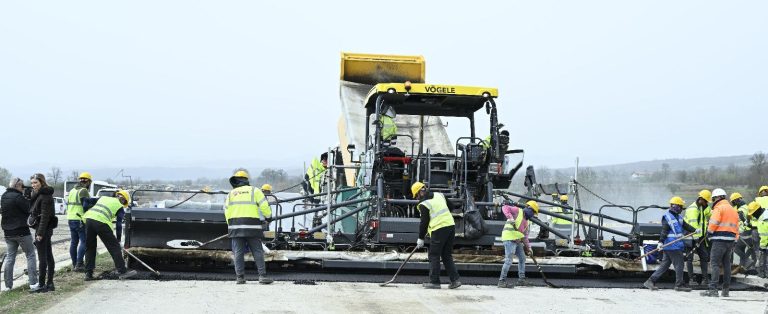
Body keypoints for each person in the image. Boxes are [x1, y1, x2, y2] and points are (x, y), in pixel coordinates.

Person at [225, 170, 273, 285]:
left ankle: (240, 278)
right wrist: (269, 217)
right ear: (246, 180)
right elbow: (264, 206)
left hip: (235, 227)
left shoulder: (231, 194)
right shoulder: (254, 191)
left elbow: (226, 211)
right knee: (257, 251)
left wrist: (230, 225)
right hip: (252, 227)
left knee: (238, 252)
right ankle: (262, 276)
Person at [411, 181, 461, 289]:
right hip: (450, 226)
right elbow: (452, 206)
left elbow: (424, 222)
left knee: (434, 255)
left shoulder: (423, 204)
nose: (416, 198)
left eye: (416, 195)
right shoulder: (439, 195)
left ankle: (434, 282)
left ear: (420, 192)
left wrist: (420, 238)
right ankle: (455, 280)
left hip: (438, 229)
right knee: (446, 255)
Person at [644, 196, 696, 292]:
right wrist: (660, 242)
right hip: (672, 246)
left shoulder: (678, 217)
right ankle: (679, 284)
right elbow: (664, 231)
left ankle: (650, 281)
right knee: (679, 264)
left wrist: (695, 230)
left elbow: (686, 226)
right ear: (676, 207)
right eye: (680, 206)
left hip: (672, 246)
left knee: (664, 265)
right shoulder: (667, 217)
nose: (681, 209)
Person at [82, 190, 136, 280]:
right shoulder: (119, 206)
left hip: (89, 220)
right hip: (101, 223)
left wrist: (85, 210)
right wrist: (118, 240)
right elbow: (119, 225)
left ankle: (88, 274)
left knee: (90, 247)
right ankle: (122, 271)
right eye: (124, 202)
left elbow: (86, 201)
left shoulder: (103, 198)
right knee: (114, 247)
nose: (123, 204)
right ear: (122, 199)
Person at [1, 178, 39, 292]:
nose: (23, 189)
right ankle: (33, 283)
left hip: (8, 232)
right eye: (22, 187)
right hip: (21, 231)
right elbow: (29, 210)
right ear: (18, 186)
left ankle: (8, 286)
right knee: (30, 255)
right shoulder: (18, 197)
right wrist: (28, 198)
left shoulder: (4, 196)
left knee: (10, 258)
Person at [700, 188, 739, 297]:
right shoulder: (733, 209)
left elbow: (713, 223)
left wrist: (709, 232)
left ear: (717, 197)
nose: (712, 201)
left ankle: (713, 290)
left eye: (713, 199)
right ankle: (725, 290)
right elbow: (737, 227)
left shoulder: (718, 208)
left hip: (719, 241)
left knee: (715, 264)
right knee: (727, 265)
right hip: (730, 241)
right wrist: (735, 239)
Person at [28, 174, 57, 292]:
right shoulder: (41, 194)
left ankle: (42, 284)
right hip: (44, 229)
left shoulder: (45, 196)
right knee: (48, 256)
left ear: (42, 182)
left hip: (43, 229)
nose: (33, 185)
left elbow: (45, 216)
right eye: (32, 183)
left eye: (35, 182)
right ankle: (49, 283)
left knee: (43, 258)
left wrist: (40, 233)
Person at [498, 201, 537, 288]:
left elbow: (525, 237)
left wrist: (529, 248)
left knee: (522, 258)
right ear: (529, 208)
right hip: (509, 238)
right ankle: (502, 281)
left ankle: (521, 279)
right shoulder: (517, 211)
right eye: (533, 212)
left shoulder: (527, 222)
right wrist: (510, 218)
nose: (533, 214)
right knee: (509, 260)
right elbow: (505, 207)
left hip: (517, 240)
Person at [683, 189, 711, 286]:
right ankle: (691, 279)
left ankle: (705, 279)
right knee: (689, 258)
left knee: (704, 257)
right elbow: (693, 227)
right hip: (691, 238)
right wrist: (697, 240)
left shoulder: (701, 207)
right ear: (701, 199)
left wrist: (708, 207)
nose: (707, 203)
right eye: (706, 201)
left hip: (699, 237)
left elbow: (708, 214)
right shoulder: (693, 210)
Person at [66, 172, 91, 272]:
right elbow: (85, 206)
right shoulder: (84, 190)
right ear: (88, 181)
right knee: (84, 241)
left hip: (70, 218)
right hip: (79, 219)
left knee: (74, 242)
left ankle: (74, 263)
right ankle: (79, 264)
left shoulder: (72, 190)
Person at [730, 192, 756, 271]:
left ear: (737, 200)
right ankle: (743, 266)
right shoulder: (745, 206)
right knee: (748, 248)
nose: (732, 203)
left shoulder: (740, 210)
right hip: (748, 232)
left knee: (736, 249)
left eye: (733, 202)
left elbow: (741, 221)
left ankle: (747, 262)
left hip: (743, 233)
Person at [750, 201, 767, 278]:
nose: (753, 215)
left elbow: (765, 234)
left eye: (753, 213)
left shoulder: (764, 218)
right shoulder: (762, 216)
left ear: (757, 210)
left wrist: (762, 246)